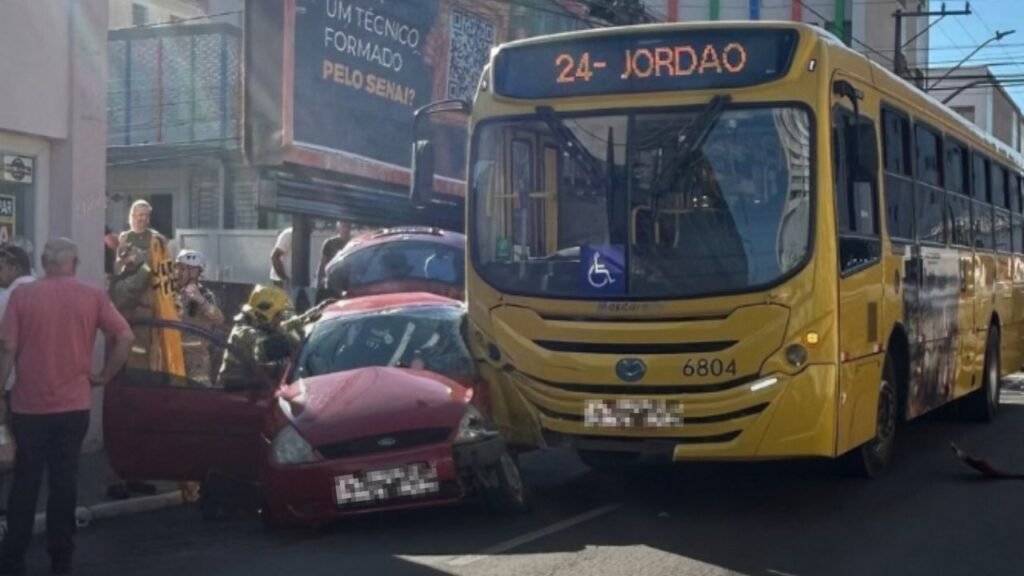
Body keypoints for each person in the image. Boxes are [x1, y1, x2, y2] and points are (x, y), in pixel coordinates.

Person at [0, 238, 134, 575]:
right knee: (65, 482)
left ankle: (12, 558)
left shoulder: (21, 296)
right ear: (73, 263)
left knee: (25, 483)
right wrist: (104, 375)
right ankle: (61, 558)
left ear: (44, 263)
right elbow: (126, 337)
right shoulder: (92, 296)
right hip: (73, 407)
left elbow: (7, 349)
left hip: (29, 407)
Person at [218, 285, 332, 384]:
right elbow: (263, 348)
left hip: (254, 389)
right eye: (279, 315)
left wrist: (313, 314)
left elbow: (285, 326)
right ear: (266, 313)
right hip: (234, 395)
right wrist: (299, 344)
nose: (281, 320)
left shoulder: (262, 325)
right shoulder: (243, 333)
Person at [173, 249, 224, 386]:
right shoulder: (168, 292)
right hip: (170, 352)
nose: (187, 273)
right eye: (183, 268)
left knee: (200, 392)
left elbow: (218, 319)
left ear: (199, 272)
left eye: (192, 269)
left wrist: (201, 301)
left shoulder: (206, 295)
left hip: (196, 357)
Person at [316, 221, 352, 289]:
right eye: (344, 226)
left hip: (348, 282)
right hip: (331, 280)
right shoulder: (330, 243)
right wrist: (318, 284)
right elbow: (322, 264)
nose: (346, 229)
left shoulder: (353, 244)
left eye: (348, 227)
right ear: (338, 229)